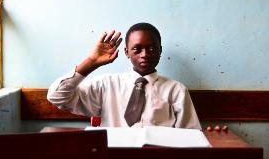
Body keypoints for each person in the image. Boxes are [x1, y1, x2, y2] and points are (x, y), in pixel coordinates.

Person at [47, 23, 201, 129]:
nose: (145, 54)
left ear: (160, 50)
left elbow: (190, 135)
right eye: (137, 49)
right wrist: (92, 62)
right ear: (126, 52)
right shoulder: (106, 85)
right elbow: (57, 97)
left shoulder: (176, 90)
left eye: (152, 48)